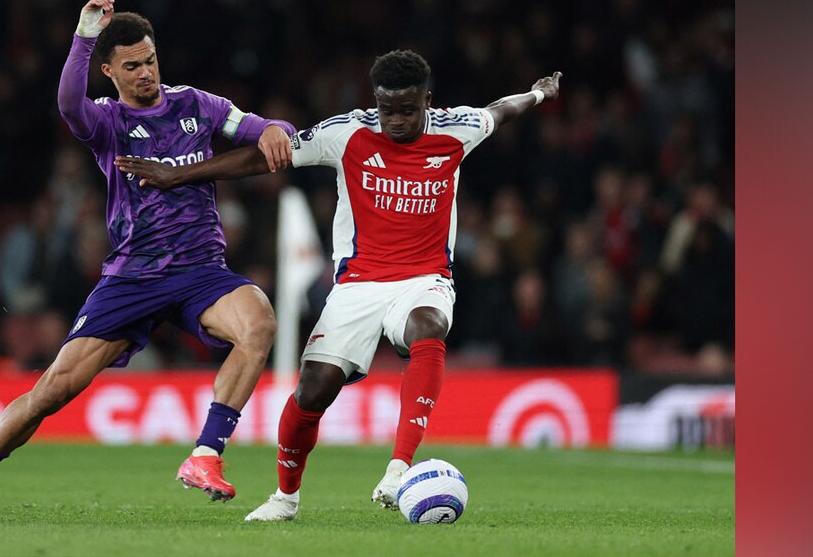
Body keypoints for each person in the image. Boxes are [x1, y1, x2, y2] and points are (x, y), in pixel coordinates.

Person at [117, 50, 561, 521]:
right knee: (313, 390)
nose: (395, 120)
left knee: (427, 326)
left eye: (408, 110)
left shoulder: (457, 128)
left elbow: (501, 110)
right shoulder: (345, 133)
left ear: (427, 101)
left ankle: (397, 468)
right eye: (387, 109)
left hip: (424, 278)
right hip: (357, 286)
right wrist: (178, 175)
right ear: (376, 100)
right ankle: (285, 498)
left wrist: (538, 94)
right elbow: (264, 158)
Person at [0, 0, 295, 519]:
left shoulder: (197, 105)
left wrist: (276, 128)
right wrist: (82, 38)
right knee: (53, 390)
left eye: (151, 61)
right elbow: (70, 105)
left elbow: (267, 129)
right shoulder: (107, 122)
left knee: (259, 324)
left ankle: (206, 455)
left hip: (201, 271)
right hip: (132, 277)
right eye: (133, 66)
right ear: (110, 71)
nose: (146, 74)